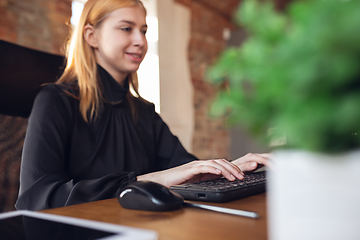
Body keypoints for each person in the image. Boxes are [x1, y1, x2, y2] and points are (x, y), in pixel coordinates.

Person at [15, 0, 270, 211]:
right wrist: (149, 180)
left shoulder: (144, 112)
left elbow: (189, 170)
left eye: (144, 31)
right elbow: (38, 199)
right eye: (127, 28)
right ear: (91, 35)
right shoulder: (56, 101)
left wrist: (236, 167)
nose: (140, 41)